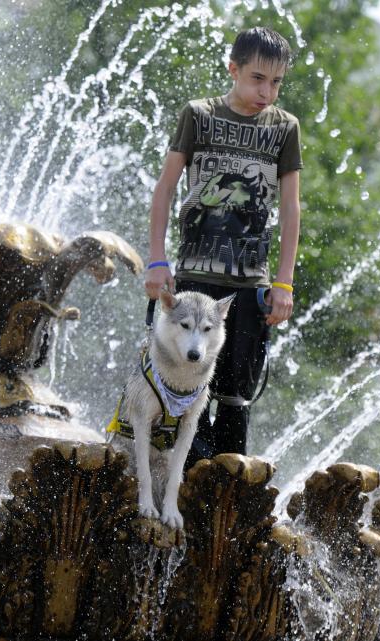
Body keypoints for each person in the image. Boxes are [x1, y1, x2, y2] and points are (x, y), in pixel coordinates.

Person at [145, 26, 303, 467]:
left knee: (235, 400)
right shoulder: (197, 115)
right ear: (233, 69)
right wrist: (157, 261)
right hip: (194, 284)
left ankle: (225, 506)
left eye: (276, 82)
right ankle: (180, 490)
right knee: (182, 394)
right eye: (257, 78)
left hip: (249, 289)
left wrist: (284, 284)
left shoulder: (284, 128)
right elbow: (165, 190)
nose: (266, 92)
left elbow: (291, 210)